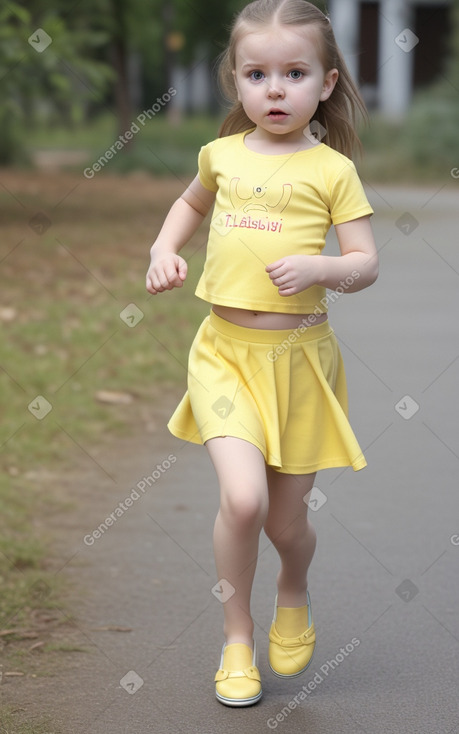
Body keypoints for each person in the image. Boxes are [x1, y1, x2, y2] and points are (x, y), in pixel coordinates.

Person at [146, 0, 378, 708]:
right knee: (241, 501)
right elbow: (189, 205)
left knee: (285, 523)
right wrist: (162, 248)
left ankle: (292, 588)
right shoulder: (218, 156)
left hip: (299, 364)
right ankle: (237, 639)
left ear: (326, 83)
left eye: (293, 72)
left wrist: (320, 269)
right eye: (257, 73)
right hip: (223, 355)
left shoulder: (331, 170)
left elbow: (365, 262)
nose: (274, 89)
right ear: (236, 82)